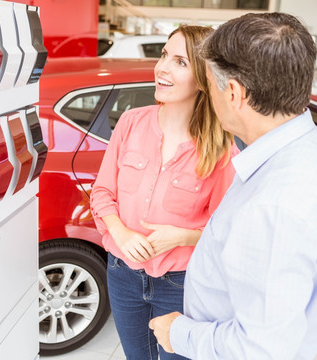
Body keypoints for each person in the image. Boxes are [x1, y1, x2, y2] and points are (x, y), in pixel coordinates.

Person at [148, 12, 317, 360]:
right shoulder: (312, 145)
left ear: (234, 93)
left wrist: (177, 334)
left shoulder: (275, 206)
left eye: (209, 86)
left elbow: (259, 349)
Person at [90, 25, 239, 360]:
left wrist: (182, 237)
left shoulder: (221, 150)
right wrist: (121, 232)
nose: (162, 68)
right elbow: (101, 193)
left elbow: (228, 232)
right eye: (163, 56)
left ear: (203, 78)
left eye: (180, 62)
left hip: (180, 284)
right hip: (122, 273)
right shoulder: (130, 123)